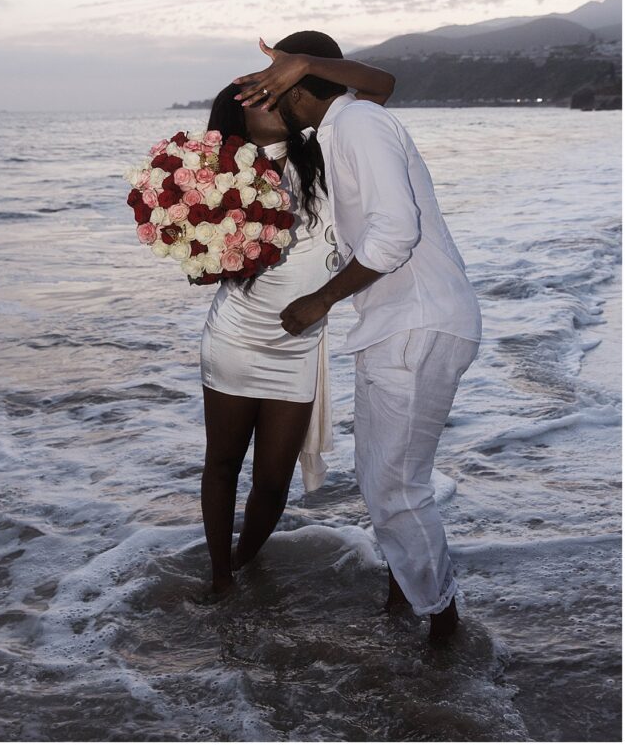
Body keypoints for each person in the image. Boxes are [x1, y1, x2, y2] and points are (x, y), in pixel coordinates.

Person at [234, 32, 482, 639]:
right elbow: (383, 84)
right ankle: (409, 601)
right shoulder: (348, 123)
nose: (269, 96)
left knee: (394, 489)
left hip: (413, 324)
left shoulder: (358, 125)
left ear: (296, 86)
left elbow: (395, 233)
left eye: (276, 86)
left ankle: (442, 627)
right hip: (403, 323)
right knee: (385, 481)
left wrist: (321, 300)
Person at [200, 36, 395, 596]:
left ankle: (242, 559)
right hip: (236, 335)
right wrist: (202, 256)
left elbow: (380, 86)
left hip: (299, 341)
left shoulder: (329, 150)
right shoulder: (214, 175)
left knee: (272, 482)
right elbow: (202, 255)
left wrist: (306, 64)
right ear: (236, 110)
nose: (273, 97)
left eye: (277, 88)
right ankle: (219, 578)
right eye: (260, 94)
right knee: (223, 463)